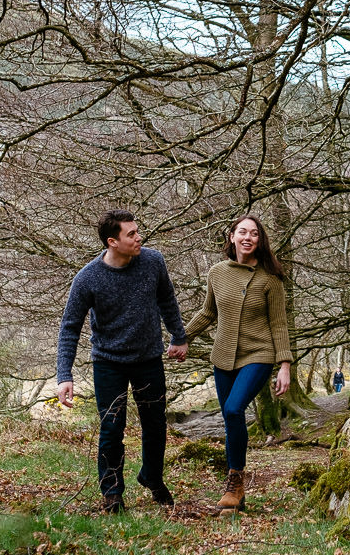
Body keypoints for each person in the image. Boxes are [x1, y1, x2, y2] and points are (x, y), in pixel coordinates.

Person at [56, 210, 189, 514]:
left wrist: (178, 337)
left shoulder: (153, 261)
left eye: (138, 231)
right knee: (112, 429)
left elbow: (167, 299)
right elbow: (70, 327)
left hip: (148, 358)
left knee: (155, 426)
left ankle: (152, 477)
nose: (139, 237)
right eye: (131, 234)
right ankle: (112, 491)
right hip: (109, 362)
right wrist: (64, 374)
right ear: (112, 242)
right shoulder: (88, 278)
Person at [184, 214, 292, 514]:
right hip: (223, 356)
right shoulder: (217, 273)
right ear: (231, 237)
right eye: (242, 232)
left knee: (233, 409)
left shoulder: (270, 279)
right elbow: (208, 313)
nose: (248, 237)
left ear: (260, 241)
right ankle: (237, 489)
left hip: (259, 354)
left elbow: (279, 325)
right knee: (231, 420)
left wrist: (284, 365)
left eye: (254, 233)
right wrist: (182, 337)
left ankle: (235, 480)